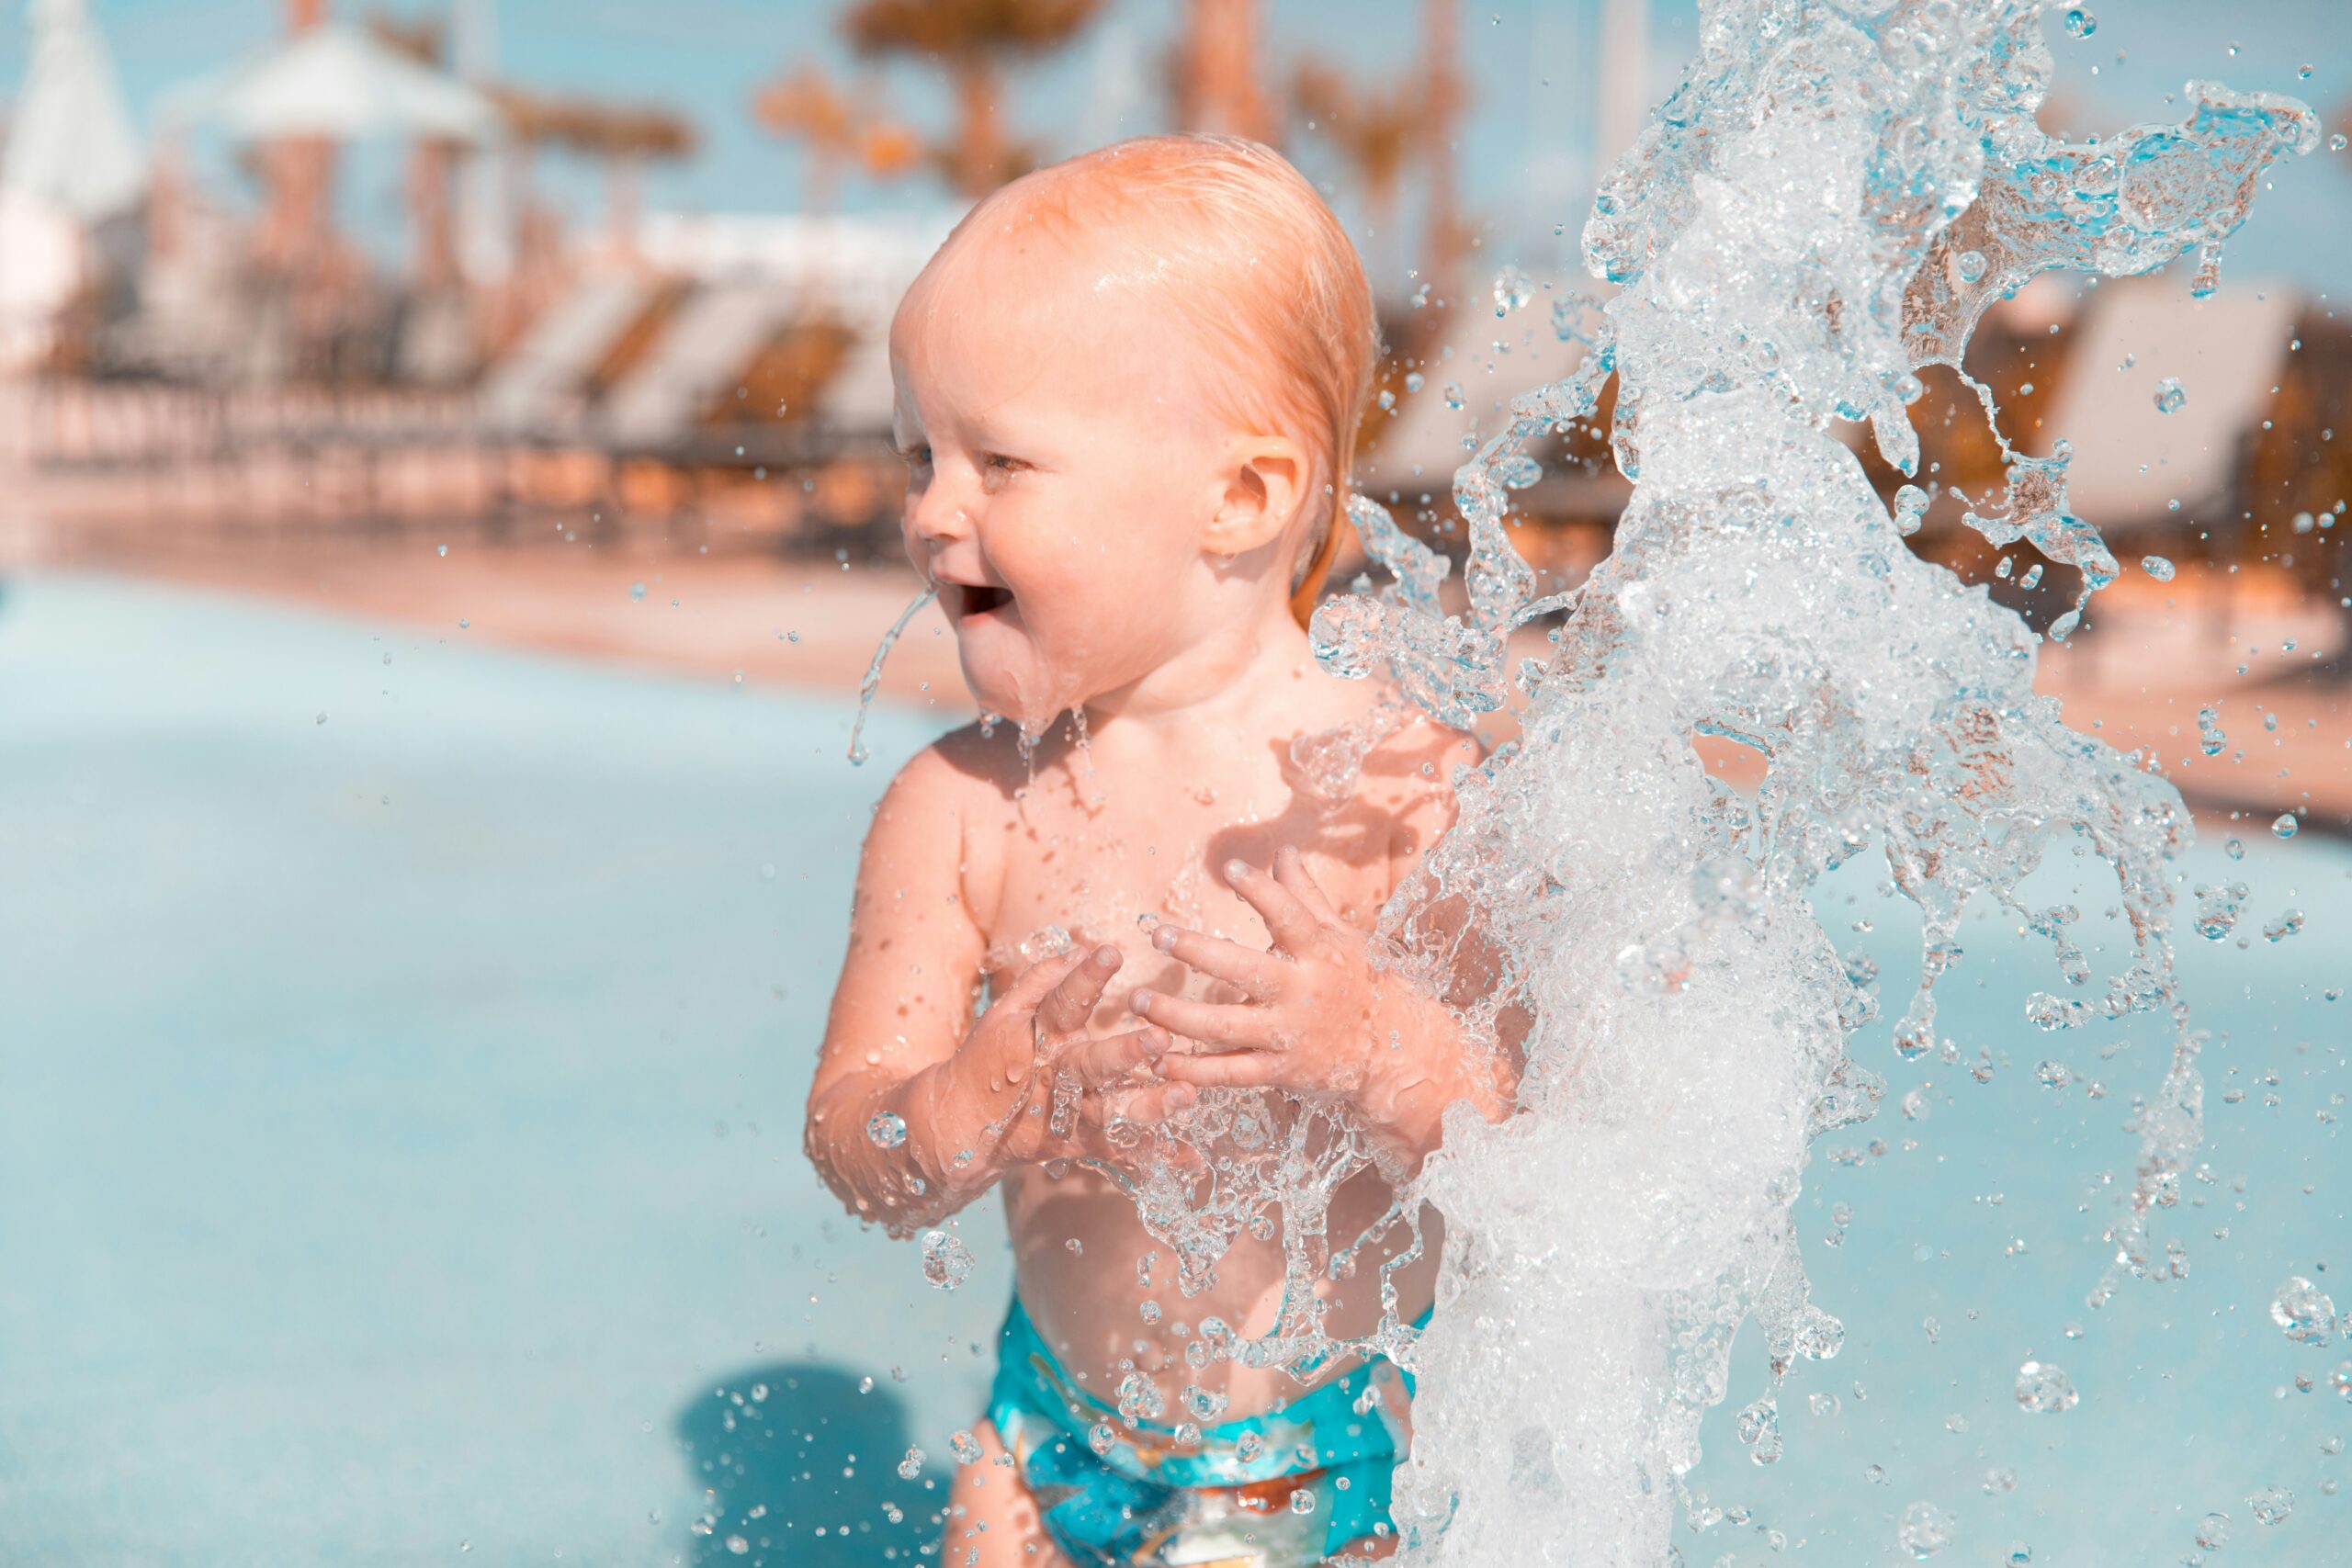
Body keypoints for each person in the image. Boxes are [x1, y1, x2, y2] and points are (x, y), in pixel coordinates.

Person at [805, 134, 1510, 1567]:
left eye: (998, 459)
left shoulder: (1408, 799)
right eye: (919, 456)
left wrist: (1382, 1048)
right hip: (1050, 1433)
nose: (935, 508)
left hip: (1348, 1449)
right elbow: (852, 1142)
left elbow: (1537, 1156)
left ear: (1240, 499)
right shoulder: (960, 810)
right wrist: (953, 1112)